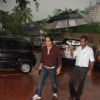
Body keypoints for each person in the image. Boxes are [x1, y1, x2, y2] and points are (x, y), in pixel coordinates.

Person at [32, 35, 62, 100]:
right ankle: (38, 94)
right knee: (40, 81)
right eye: (46, 41)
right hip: (44, 67)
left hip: (52, 68)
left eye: (48, 41)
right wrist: (40, 65)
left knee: (53, 83)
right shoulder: (43, 48)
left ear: (51, 41)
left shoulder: (56, 48)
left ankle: (55, 92)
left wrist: (59, 67)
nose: (47, 42)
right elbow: (42, 58)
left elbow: (59, 58)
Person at [69, 36, 95, 100]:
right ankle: (73, 94)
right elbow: (72, 55)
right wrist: (71, 50)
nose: (81, 43)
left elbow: (92, 61)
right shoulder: (78, 48)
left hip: (84, 69)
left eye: (83, 41)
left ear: (86, 42)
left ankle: (78, 96)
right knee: (71, 82)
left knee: (81, 83)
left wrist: (90, 70)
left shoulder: (90, 50)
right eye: (80, 41)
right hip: (76, 67)